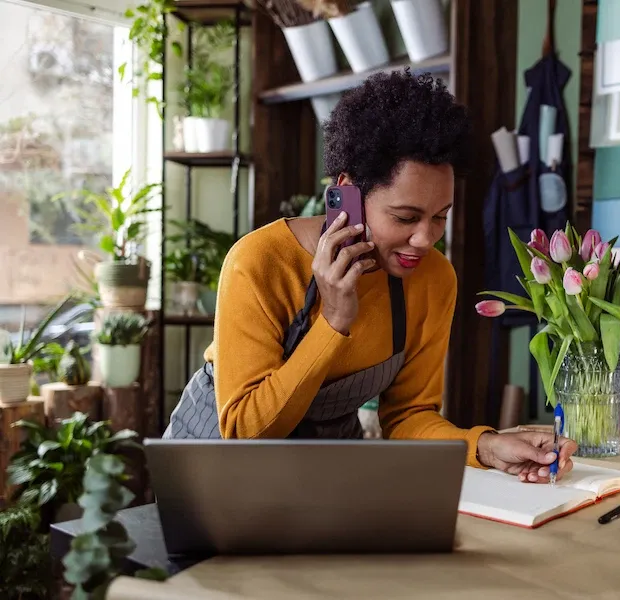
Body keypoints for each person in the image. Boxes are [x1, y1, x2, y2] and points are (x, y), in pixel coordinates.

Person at [163, 69, 576, 484]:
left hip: (325, 471)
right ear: (348, 193)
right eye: (405, 217)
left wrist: (484, 446)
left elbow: (409, 417)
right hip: (214, 469)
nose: (424, 238)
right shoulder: (259, 262)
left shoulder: (433, 279)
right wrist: (333, 322)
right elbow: (246, 431)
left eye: (440, 217)